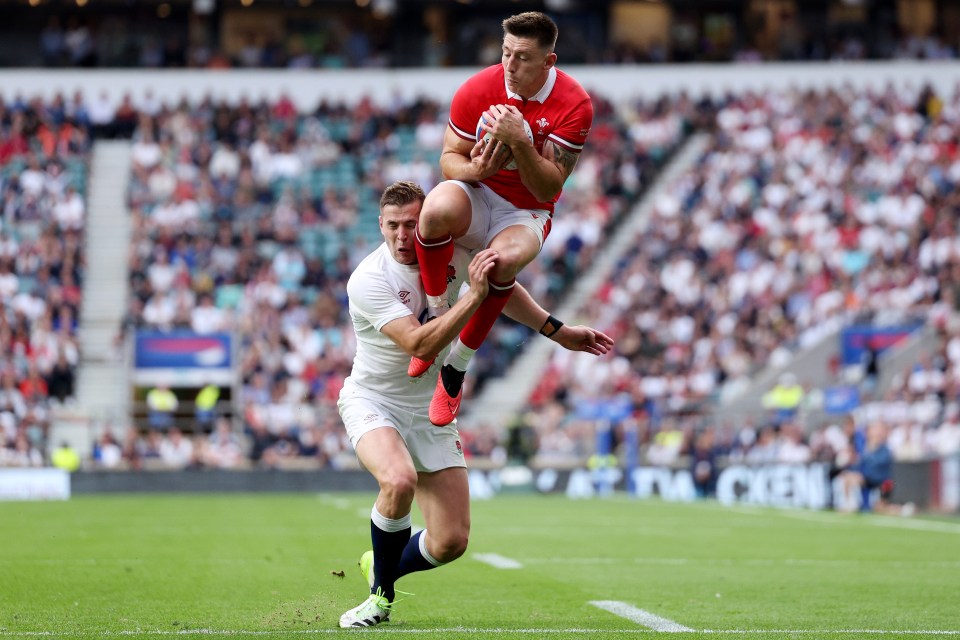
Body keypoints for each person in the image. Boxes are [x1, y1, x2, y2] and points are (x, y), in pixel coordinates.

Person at [337, 181, 613, 628]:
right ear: (380, 225)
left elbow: (502, 286)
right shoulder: (368, 279)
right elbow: (420, 344)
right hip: (375, 400)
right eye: (393, 226)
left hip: (429, 410)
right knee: (399, 480)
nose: (404, 236)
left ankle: (381, 564)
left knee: (451, 541)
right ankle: (379, 600)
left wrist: (558, 331)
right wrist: (473, 296)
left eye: (412, 224)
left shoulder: (450, 251)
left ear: (425, 221)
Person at [412, 11, 594, 426]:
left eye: (523, 58)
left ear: (549, 62)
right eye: (505, 52)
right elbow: (448, 159)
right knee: (435, 210)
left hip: (525, 209)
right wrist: (477, 171)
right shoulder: (479, 87)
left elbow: (547, 189)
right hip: (478, 191)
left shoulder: (574, 104)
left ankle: (456, 368)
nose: (510, 66)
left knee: (501, 263)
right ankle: (437, 318)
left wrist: (520, 142)